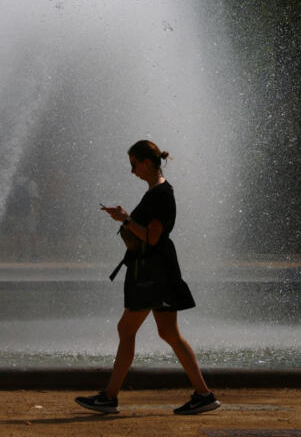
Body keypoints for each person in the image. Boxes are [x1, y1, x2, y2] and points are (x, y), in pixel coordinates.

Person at [75, 140, 219, 416]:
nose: (132, 171)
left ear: (148, 163)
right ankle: (203, 394)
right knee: (168, 333)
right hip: (156, 271)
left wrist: (126, 219)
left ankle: (109, 397)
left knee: (128, 330)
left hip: (153, 274)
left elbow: (152, 237)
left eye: (134, 164)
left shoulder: (161, 194)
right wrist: (125, 219)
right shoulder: (158, 191)